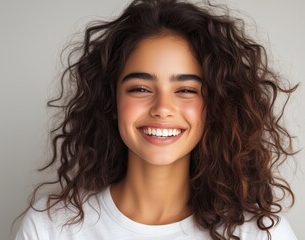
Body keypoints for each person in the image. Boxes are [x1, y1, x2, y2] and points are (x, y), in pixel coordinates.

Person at [16, 0, 298, 239]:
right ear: (111, 100)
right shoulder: (51, 228)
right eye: (140, 88)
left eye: (186, 90)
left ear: (215, 106)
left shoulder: (261, 233)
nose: (162, 108)